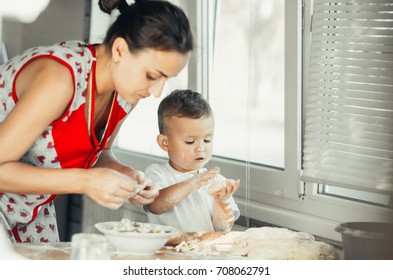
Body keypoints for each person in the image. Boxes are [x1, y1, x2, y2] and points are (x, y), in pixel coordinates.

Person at [0, 0, 194, 243]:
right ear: (120, 50)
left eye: (166, 80)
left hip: (30, 213)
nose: (156, 92)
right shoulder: (59, 79)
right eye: (152, 76)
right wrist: (86, 182)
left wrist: (128, 176)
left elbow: (99, 153)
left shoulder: (125, 93)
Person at [144, 90, 240, 232]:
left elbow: (223, 229)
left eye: (207, 140)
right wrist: (192, 182)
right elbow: (155, 206)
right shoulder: (157, 173)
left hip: (201, 252)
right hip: (167, 252)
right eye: (190, 141)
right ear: (165, 143)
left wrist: (222, 202)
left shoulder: (215, 181)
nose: (201, 148)